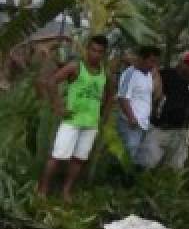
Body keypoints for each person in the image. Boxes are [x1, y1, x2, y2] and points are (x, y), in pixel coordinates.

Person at [36, 35, 112, 201]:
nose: (95, 54)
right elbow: (52, 82)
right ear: (87, 49)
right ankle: (42, 190)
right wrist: (58, 106)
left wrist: (103, 116)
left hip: (91, 123)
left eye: (100, 52)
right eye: (93, 50)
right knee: (56, 156)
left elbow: (109, 94)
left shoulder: (105, 72)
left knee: (79, 159)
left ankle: (66, 191)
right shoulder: (76, 67)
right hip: (72, 121)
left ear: (104, 54)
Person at [140, 51, 189, 169]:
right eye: (187, 64)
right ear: (181, 62)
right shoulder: (166, 74)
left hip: (181, 133)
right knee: (146, 163)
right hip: (159, 128)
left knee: (174, 168)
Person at [115, 45, 161, 163]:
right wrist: (131, 118)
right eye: (151, 61)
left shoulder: (148, 75)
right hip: (130, 123)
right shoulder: (130, 74)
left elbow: (148, 97)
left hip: (143, 124)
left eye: (155, 62)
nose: (153, 65)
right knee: (128, 156)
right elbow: (123, 97)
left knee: (136, 157)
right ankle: (118, 179)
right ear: (142, 58)